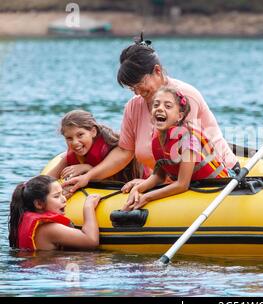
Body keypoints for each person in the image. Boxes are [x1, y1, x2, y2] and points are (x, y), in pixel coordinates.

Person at [63, 35, 238, 194]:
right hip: (166, 179)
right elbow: (125, 152)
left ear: (157, 71)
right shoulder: (133, 106)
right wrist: (90, 175)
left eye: (140, 84)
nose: (137, 93)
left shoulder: (184, 97)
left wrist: (149, 184)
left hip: (215, 178)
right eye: (132, 88)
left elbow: (182, 157)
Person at [123, 87, 233, 210]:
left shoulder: (188, 140)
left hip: (221, 184)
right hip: (196, 185)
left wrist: (147, 197)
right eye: (156, 105)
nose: (160, 108)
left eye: (168, 106)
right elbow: (159, 176)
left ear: (179, 116)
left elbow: (182, 184)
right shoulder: (157, 140)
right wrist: (138, 189)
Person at [47, 110, 143, 183]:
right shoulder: (72, 155)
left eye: (80, 135)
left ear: (93, 132)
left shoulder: (109, 150)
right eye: (69, 138)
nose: (75, 142)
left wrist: (87, 168)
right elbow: (46, 180)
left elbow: (114, 181)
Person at [9, 175, 101, 251]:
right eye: (56, 196)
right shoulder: (50, 229)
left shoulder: (23, 219)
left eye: (62, 194)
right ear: (39, 204)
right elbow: (91, 241)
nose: (64, 199)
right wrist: (88, 207)